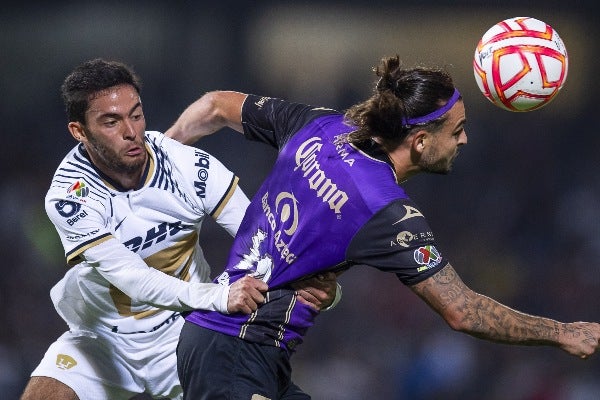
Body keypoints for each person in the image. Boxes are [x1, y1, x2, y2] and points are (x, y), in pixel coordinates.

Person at [168, 55, 600, 399]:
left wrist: (161, 154)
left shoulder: (322, 125)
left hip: (239, 348)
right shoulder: (385, 210)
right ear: (421, 141)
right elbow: (463, 311)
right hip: (235, 351)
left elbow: (214, 105)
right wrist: (562, 333)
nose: (465, 141)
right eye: (458, 130)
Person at [20, 58, 340, 400]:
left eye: (136, 114)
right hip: (102, 340)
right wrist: (219, 296)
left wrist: (322, 287)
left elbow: (263, 237)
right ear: (79, 131)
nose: (131, 131)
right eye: (111, 122)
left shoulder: (189, 167)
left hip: (186, 331)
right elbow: (131, 277)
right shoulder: (71, 196)